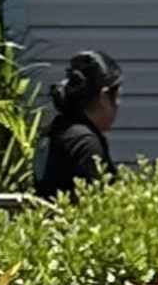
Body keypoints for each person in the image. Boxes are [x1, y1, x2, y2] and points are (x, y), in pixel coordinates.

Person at [38, 53, 119, 201]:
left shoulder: (60, 128)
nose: (119, 104)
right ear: (104, 97)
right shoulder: (86, 144)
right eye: (117, 96)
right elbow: (98, 208)